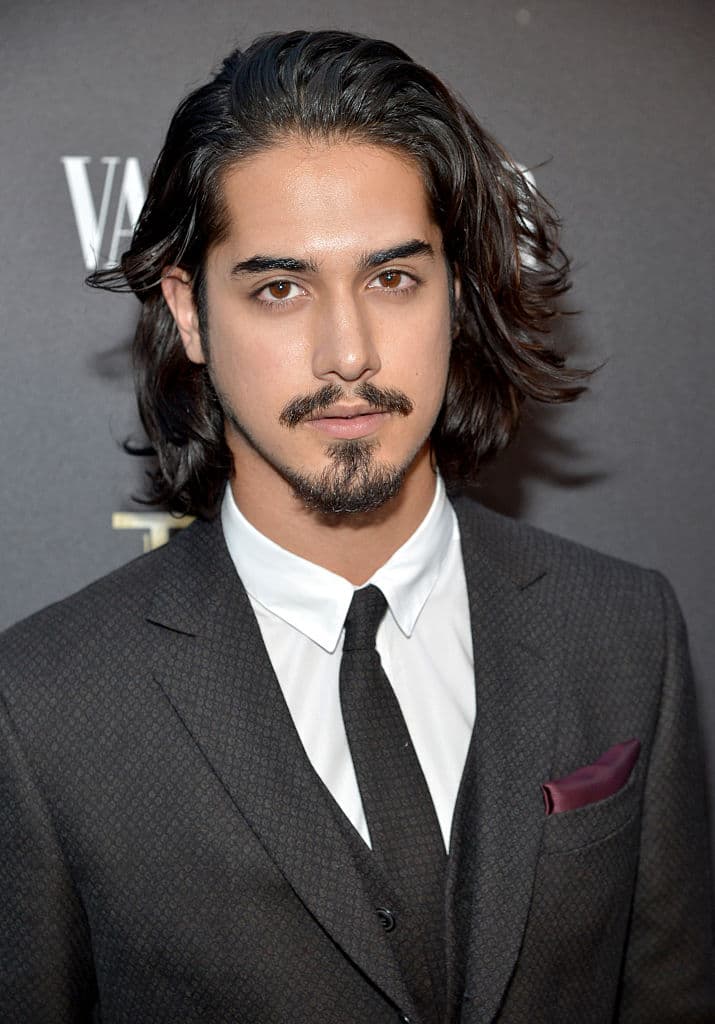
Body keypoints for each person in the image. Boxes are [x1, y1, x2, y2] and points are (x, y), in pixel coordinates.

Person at [0, 29, 712, 1024]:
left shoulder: (625, 629)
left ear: (456, 292)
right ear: (190, 313)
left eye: (391, 279)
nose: (348, 352)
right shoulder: (43, 707)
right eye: (279, 288)